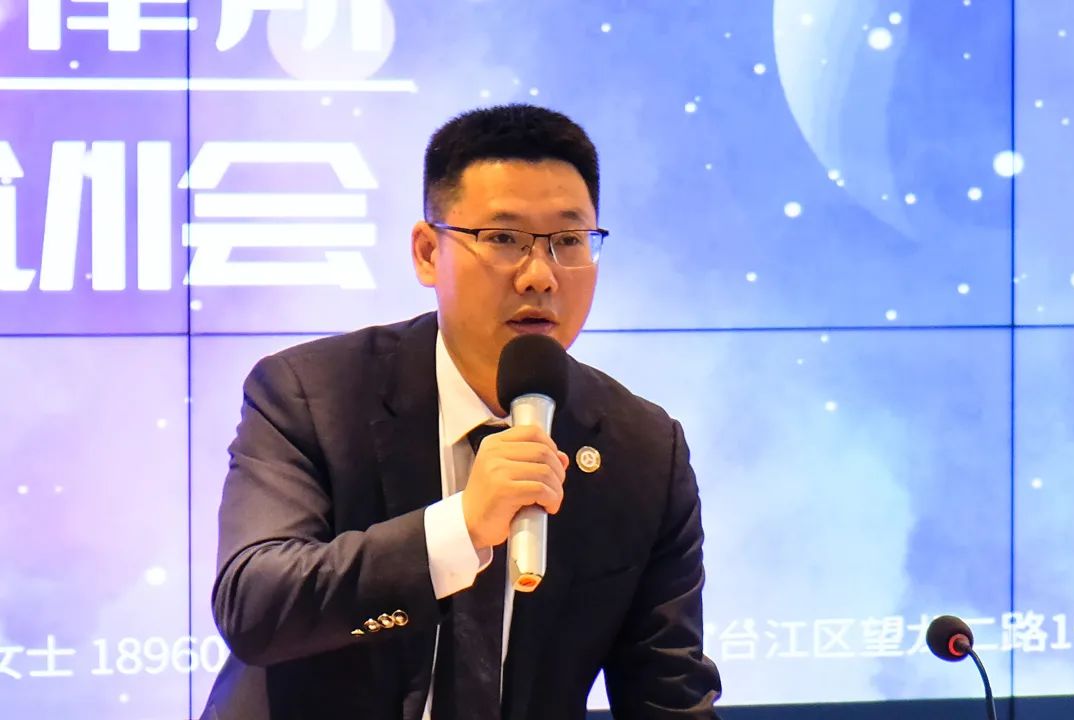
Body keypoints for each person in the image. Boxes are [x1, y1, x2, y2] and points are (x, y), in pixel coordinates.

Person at [200, 104, 721, 719]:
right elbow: (256, 607)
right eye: (503, 239)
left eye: (567, 241)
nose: (539, 275)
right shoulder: (310, 394)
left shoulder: (643, 451)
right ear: (428, 252)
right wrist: (462, 526)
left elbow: (668, 695)